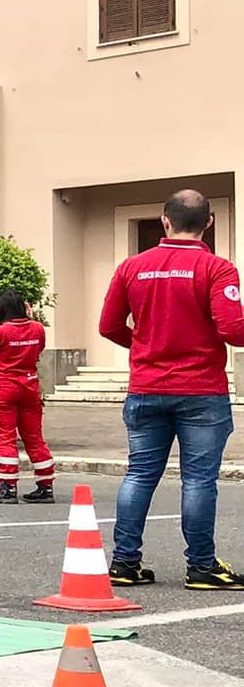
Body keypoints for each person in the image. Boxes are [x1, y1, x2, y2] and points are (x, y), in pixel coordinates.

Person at [100, 188, 244, 590]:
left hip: (146, 386)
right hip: (201, 390)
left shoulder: (132, 267)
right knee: (198, 480)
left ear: (165, 221)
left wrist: (145, 345)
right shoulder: (218, 269)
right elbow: (234, 331)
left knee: (140, 474)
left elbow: (109, 325)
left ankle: (125, 563)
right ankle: (201, 566)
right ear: (208, 223)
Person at [0, 291, 54, 503]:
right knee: (34, 438)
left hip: (3, 386)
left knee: (5, 437)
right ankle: (45, 486)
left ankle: (8, 487)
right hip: (29, 385)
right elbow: (39, 348)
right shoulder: (37, 328)